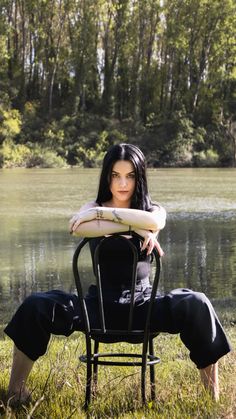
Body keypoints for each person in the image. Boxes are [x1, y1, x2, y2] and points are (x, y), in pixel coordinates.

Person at [4, 143, 231, 405]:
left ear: (140, 177)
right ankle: (15, 392)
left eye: (130, 175)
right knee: (36, 305)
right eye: (115, 175)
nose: (123, 183)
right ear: (106, 177)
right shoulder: (92, 207)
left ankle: (210, 398)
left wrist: (103, 216)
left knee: (197, 303)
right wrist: (136, 226)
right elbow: (76, 227)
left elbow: (155, 222)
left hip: (144, 308)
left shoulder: (150, 209)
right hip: (99, 309)